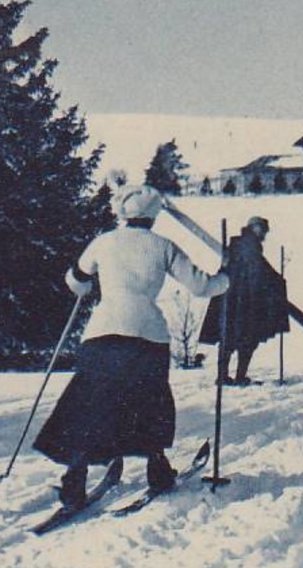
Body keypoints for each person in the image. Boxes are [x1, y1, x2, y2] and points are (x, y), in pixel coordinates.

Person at [34, 186, 229, 512]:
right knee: (149, 401)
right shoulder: (163, 245)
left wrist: (85, 285)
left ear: (124, 214)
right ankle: (157, 470)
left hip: (102, 332)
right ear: (153, 216)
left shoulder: (103, 241)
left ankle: (74, 481)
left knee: (89, 404)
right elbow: (202, 286)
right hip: (147, 335)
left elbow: (77, 280)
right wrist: (225, 277)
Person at [199, 216, 288, 385]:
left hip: (231, 298)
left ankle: (224, 375)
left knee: (229, 337)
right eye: (263, 231)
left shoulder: (239, 244)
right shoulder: (249, 245)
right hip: (244, 302)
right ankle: (238, 376)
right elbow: (260, 270)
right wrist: (277, 281)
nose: (264, 235)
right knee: (247, 338)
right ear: (255, 228)